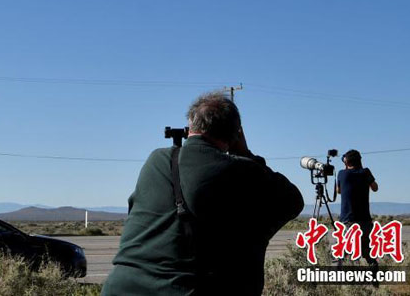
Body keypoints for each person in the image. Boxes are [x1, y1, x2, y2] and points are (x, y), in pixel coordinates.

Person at [102, 92, 304, 296]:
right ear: (235, 134)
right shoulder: (240, 171)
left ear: (191, 126)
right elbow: (293, 201)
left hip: (121, 287)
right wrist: (246, 154)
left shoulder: (157, 160)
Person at [336, 149, 378, 266]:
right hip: (365, 219)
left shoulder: (342, 174)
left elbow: (339, 191)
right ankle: (375, 277)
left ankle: (340, 277)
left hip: (348, 220)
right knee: (367, 252)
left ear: (346, 161)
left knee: (343, 251)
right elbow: (375, 187)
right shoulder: (365, 172)